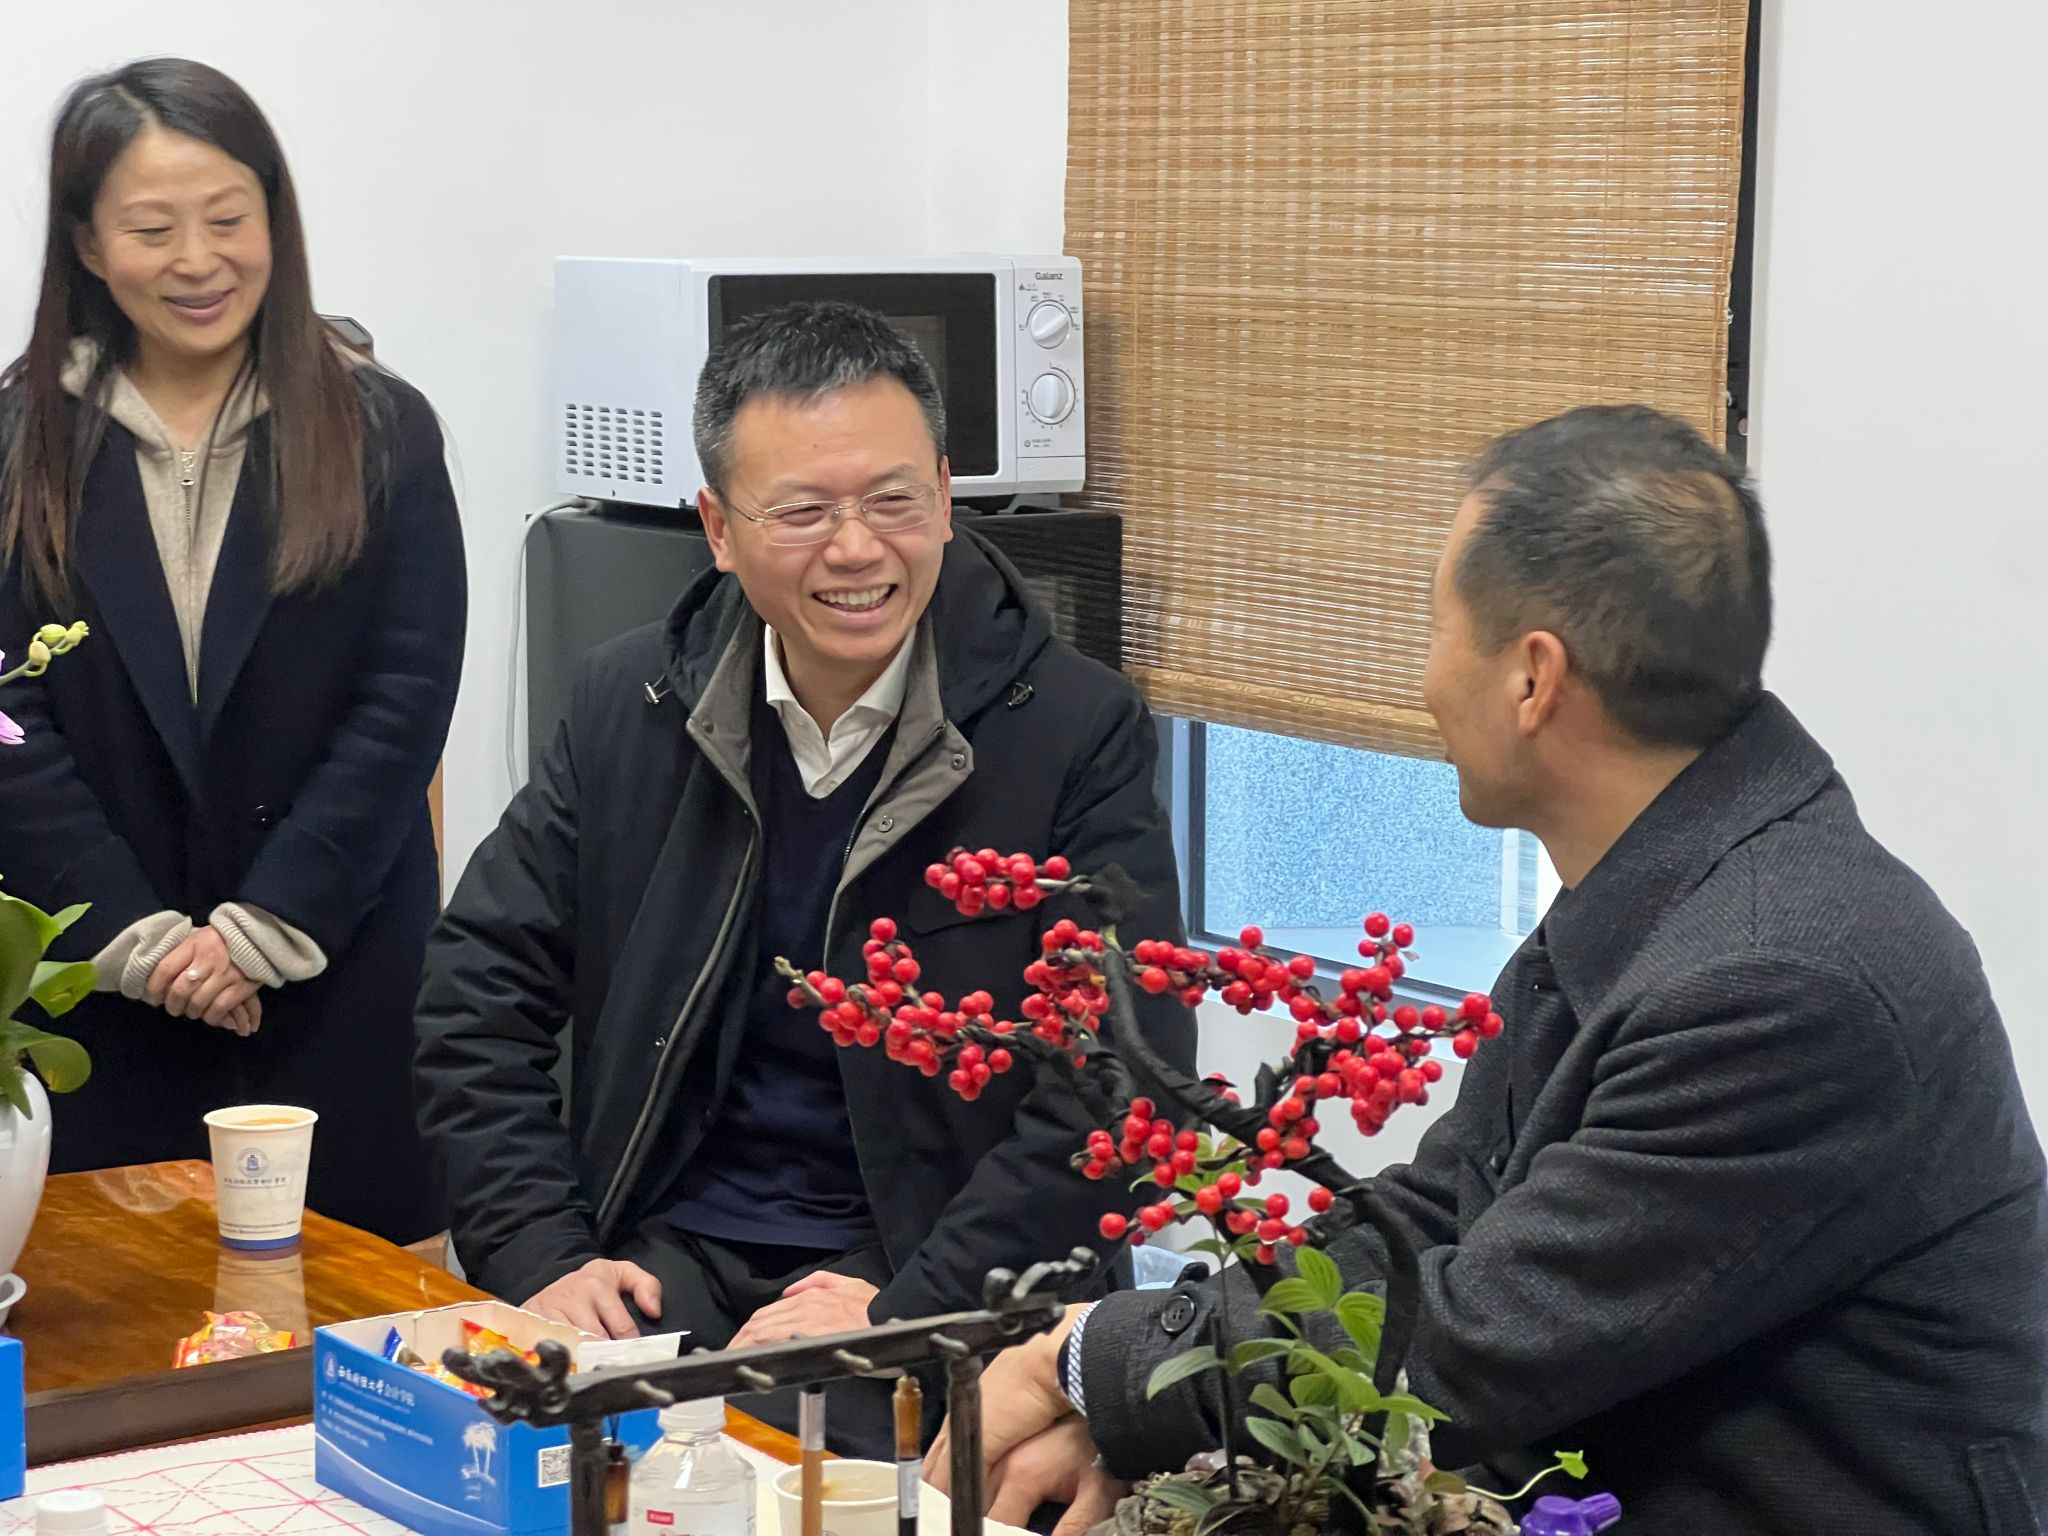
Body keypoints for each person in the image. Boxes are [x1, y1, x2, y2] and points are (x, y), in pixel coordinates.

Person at [930, 406, 2048, 1535]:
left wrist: (1083, 1361)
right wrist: (1135, 1403)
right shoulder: (1669, 885)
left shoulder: (1777, 984)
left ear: (1531, 678)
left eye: (1436, 628)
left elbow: (1467, 1341)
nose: (1423, 680)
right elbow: (1433, 1219)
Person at [414, 301, 1193, 1456]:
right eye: (802, 512)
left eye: (893, 501)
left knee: (784, 1486)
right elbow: (476, 989)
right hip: (665, 1247)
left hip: (929, 1269)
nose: (856, 548)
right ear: (718, 529)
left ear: (945, 495)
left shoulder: (1074, 730)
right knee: (489, 1449)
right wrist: (544, 1253)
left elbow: (1120, 1076)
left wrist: (909, 1309)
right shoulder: (631, 703)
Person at [0, 59, 466, 1244]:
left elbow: (404, 699)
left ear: (275, 220)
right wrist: (141, 942)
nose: (199, 261)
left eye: (227, 219)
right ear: (88, 244)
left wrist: (263, 932)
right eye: (153, 229)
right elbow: (9, 721)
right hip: (99, 984)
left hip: (331, 970)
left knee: (359, 1316)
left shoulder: (379, 427)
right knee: (115, 1312)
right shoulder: (18, 441)